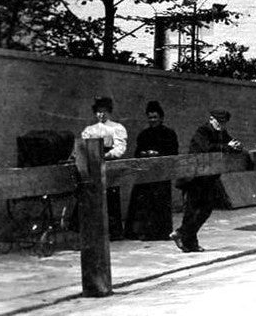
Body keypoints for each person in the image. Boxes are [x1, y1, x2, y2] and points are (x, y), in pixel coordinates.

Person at [171, 108, 242, 253]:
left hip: (208, 178)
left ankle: (182, 234)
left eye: (223, 123)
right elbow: (206, 148)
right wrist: (227, 147)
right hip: (194, 178)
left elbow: (230, 143)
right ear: (211, 119)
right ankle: (189, 243)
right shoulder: (202, 131)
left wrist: (237, 146)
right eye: (218, 122)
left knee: (205, 209)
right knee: (192, 210)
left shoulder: (222, 133)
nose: (221, 125)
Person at [125, 101, 178, 240]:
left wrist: (158, 154)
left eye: (155, 117)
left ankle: (160, 233)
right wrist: (145, 154)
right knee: (143, 203)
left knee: (160, 203)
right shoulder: (144, 134)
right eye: (150, 117)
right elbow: (137, 153)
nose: (153, 120)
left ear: (161, 118)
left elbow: (173, 153)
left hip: (161, 174)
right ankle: (144, 232)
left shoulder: (169, 134)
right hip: (146, 174)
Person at [81, 96, 127, 240]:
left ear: (109, 111)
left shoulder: (117, 128)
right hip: (93, 166)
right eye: (98, 112)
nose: (101, 115)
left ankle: (113, 233)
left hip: (109, 166)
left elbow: (120, 148)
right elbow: (83, 147)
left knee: (111, 199)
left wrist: (108, 155)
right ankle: (94, 233)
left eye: (104, 111)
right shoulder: (90, 129)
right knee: (92, 198)